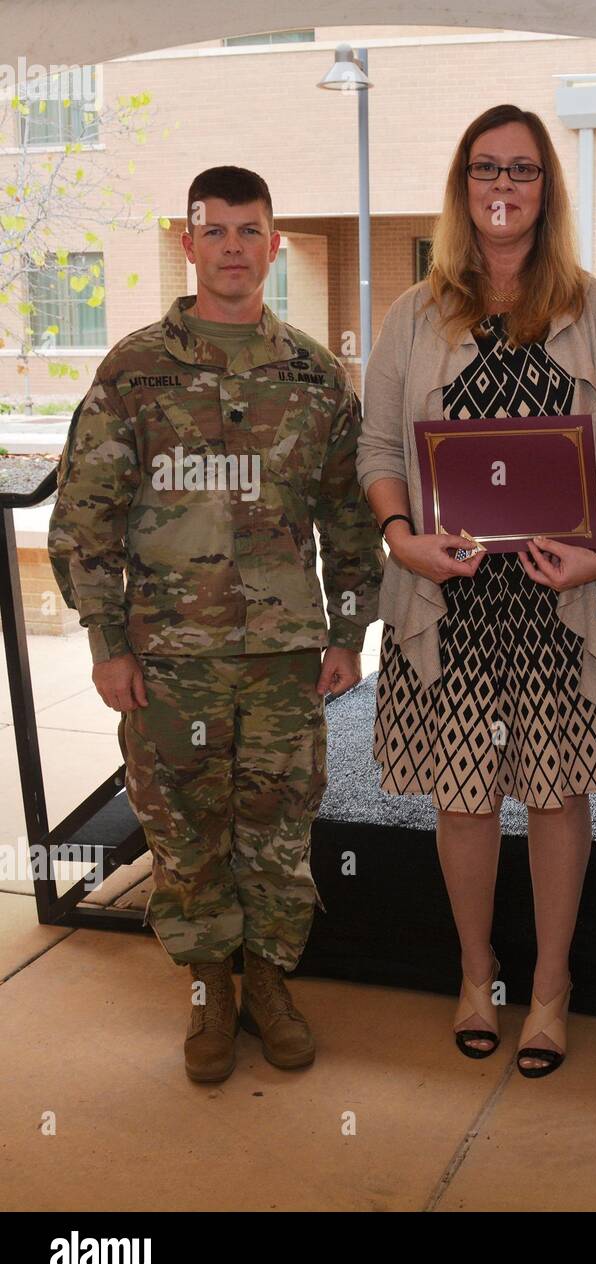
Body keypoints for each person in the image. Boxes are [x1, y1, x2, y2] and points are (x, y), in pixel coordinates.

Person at [48, 166, 383, 1084]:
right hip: (168, 661)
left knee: (278, 830)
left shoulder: (315, 374)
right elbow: (87, 518)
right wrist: (106, 645)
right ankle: (209, 991)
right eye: (216, 230)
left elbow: (351, 517)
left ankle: (270, 983)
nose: (234, 247)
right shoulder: (135, 371)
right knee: (184, 833)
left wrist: (351, 632)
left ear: (274, 245)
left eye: (251, 230)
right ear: (187, 241)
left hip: (282, 660)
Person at [356, 104, 596, 1078]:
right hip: (450, 603)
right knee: (466, 795)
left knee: (558, 791)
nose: (504, 184)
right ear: (462, 185)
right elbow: (375, 451)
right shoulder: (412, 314)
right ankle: (477, 973)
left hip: (564, 603)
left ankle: (550, 988)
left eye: (523, 169)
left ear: (546, 188)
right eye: (486, 167)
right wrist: (401, 540)